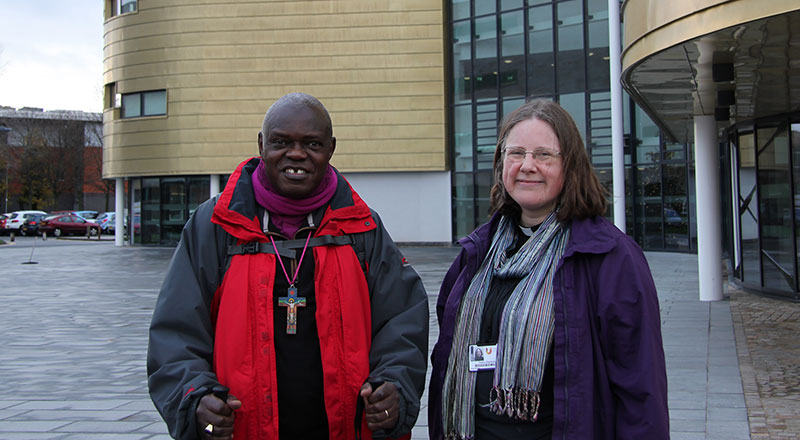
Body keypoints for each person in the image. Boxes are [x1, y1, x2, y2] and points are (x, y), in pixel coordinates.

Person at [147, 92, 429, 440]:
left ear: (331, 148)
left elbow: (401, 319)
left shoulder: (361, 227)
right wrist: (195, 398)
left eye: (312, 143)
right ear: (262, 144)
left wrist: (394, 384)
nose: (296, 154)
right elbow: (176, 331)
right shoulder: (215, 226)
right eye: (281, 142)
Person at [428, 99, 669, 439]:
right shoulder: (476, 253)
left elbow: (640, 386)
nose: (528, 165)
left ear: (569, 166)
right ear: (501, 164)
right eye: (516, 153)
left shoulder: (611, 258)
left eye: (543, 154)